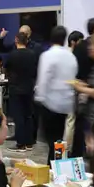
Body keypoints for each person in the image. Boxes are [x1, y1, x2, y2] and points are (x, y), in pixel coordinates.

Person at [35, 26, 78, 163]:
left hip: (50, 102)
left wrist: (39, 97)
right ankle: (57, 164)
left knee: (51, 141)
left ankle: (53, 166)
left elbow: (43, 78)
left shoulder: (47, 55)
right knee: (58, 139)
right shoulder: (71, 56)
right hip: (66, 103)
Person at [71, 18, 94, 158]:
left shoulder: (79, 47)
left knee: (79, 123)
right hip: (91, 90)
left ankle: (78, 153)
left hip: (80, 88)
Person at [5, 32, 38, 153]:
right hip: (29, 88)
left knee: (18, 116)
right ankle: (29, 142)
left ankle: (20, 144)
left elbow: (6, 67)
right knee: (28, 115)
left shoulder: (13, 55)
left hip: (16, 88)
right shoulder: (32, 54)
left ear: (16, 40)